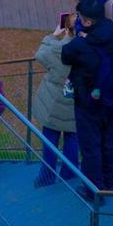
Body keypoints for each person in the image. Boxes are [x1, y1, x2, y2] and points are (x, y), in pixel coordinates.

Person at [61, 0, 113, 199]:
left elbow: (66, 54)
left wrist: (79, 36)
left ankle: (93, 190)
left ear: (88, 21)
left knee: (91, 146)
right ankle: (109, 183)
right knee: (110, 142)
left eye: (80, 17)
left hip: (89, 103)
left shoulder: (82, 45)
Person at [32, 15, 79, 188]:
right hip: (76, 102)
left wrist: (53, 35)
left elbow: (40, 54)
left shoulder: (59, 48)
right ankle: (70, 175)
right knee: (73, 140)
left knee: (50, 141)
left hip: (54, 101)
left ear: (66, 28)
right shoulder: (87, 48)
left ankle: (46, 177)